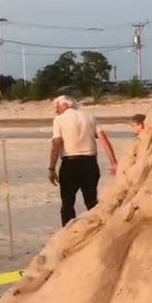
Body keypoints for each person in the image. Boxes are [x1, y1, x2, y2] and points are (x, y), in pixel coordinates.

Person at [48, 95, 118, 226]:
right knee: (91, 202)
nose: (56, 111)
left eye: (57, 107)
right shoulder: (89, 117)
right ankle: (97, 229)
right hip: (90, 164)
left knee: (67, 203)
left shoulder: (59, 120)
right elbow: (103, 138)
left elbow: (56, 143)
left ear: (65, 105)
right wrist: (113, 162)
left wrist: (51, 168)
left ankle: (68, 232)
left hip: (70, 164)